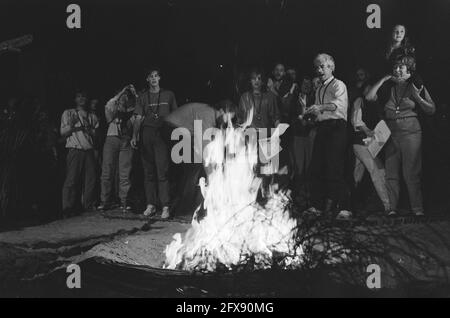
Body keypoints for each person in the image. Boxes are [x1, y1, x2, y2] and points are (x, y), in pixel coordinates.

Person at [366, 55, 435, 216]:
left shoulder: (416, 85)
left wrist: (417, 97)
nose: (397, 70)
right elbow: (369, 97)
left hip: (410, 132)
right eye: (395, 67)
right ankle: (392, 209)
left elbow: (431, 109)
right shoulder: (388, 87)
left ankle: (417, 209)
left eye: (401, 67)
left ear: (408, 70)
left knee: (410, 172)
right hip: (390, 132)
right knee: (391, 173)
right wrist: (383, 79)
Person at [165, 100, 237, 218]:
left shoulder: (212, 116)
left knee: (193, 166)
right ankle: (184, 211)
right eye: (227, 118)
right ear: (222, 111)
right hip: (171, 128)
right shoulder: (207, 114)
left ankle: (184, 209)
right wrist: (211, 174)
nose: (227, 121)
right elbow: (204, 147)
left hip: (182, 131)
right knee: (193, 167)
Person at [304, 53, 351, 219]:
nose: (319, 69)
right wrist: (309, 115)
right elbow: (319, 113)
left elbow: (338, 105)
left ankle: (343, 208)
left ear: (332, 67)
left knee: (335, 167)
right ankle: (317, 206)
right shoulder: (320, 88)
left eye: (322, 66)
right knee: (316, 167)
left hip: (336, 128)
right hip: (323, 128)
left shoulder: (339, 85)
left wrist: (319, 107)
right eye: (317, 67)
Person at [132, 67, 178, 219]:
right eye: (150, 76)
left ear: (160, 78)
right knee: (148, 171)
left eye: (156, 76)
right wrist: (134, 136)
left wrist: (175, 135)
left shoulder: (168, 94)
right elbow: (138, 118)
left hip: (162, 135)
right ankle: (151, 205)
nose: (153, 78)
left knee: (162, 171)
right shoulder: (142, 96)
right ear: (147, 79)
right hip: (147, 133)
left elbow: (175, 116)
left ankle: (165, 206)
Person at [351, 84, 391, 215]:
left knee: (357, 176)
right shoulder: (360, 101)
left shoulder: (376, 106)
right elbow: (356, 121)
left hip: (371, 143)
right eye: (368, 90)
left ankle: (348, 205)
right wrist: (367, 130)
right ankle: (388, 205)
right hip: (360, 142)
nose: (371, 93)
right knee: (377, 171)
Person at [98, 85, 138, 212]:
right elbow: (109, 106)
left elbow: (140, 107)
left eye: (126, 97)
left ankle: (124, 201)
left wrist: (134, 94)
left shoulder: (132, 110)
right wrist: (121, 93)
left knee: (125, 173)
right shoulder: (113, 109)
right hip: (112, 138)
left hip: (126, 140)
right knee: (107, 171)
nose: (124, 99)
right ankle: (105, 201)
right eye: (122, 97)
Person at [60, 90, 99, 217]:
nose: (82, 98)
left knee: (90, 180)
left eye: (84, 96)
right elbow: (63, 132)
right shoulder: (69, 113)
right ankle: (67, 207)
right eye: (79, 96)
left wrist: (89, 129)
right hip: (75, 149)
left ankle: (88, 205)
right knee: (72, 179)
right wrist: (72, 125)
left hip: (89, 150)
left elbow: (97, 135)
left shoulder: (92, 116)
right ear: (75, 99)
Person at [290, 76, 315, 207]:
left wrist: (308, 120)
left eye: (309, 83)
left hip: (309, 136)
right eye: (304, 83)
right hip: (298, 135)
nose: (306, 85)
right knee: (298, 167)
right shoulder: (295, 99)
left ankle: (308, 198)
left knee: (309, 167)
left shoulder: (313, 99)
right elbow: (291, 116)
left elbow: (315, 117)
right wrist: (300, 118)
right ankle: (296, 198)